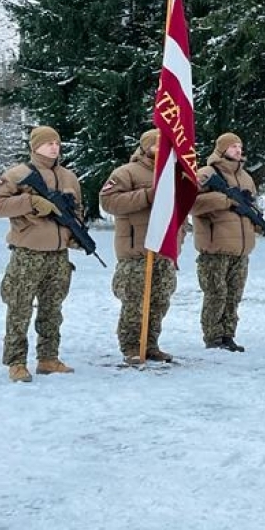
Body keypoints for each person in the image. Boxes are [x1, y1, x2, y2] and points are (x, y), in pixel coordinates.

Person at [0, 126, 85, 382]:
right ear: (35, 146)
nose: (54, 147)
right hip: (28, 254)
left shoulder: (69, 177)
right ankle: (16, 362)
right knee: (19, 308)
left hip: (58, 256)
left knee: (53, 309)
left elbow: (77, 211)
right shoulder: (18, 174)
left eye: (57, 142)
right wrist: (29, 203)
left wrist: (76, 236)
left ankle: (48, 358)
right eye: (48, 142)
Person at [100, 129, 179, 364]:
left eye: (164, 144)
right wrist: (147, 195)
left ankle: (151, 343)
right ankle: (132, 346)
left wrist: (178, 241)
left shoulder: (172, 174)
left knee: (159, 300)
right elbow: (109, 201)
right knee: (135, 300)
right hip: (136, 250)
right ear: (145, 147)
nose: (160, 148)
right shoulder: (126, 173)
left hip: (163, 251)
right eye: (155, 144)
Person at [190, 132, 261, 351]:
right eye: (233, 147)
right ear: (221, 150)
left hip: (240, 250)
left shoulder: (246, 178)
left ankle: (228, 335)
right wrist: (225, 200)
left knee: (233, 296)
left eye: (240, 146)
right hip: (215, 248)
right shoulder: (206, 174)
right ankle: (213, 337)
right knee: (216, 294)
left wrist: (257, 223)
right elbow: (191, 203)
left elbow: (251, 207)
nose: (238, 150)